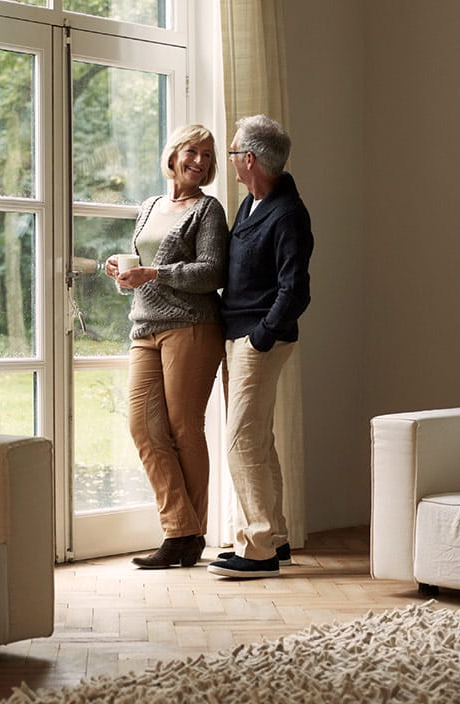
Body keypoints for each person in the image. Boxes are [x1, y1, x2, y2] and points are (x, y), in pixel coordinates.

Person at [104, 124, 229, 569]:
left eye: (210, 156)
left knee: (183, 429)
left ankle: (185, 539)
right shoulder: (151, 206)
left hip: (192, 327)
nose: (202, 161)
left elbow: (211, 272)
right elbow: (145, 272)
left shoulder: (208, 210)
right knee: (143, 427)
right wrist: (124, 274)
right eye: (194, 151)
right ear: (174, 154)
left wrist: (153, 274)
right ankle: (182, 528)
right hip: (145, 328)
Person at [207, 114, 313, 579]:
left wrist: (261, 335)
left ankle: (258, 551)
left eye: (233, 152)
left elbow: (297, 289)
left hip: (258, 339)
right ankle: (277, 538)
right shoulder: (250, 204)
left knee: (239, 443)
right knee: (258, 440)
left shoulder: (288, 212)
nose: (230, 160)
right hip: (241, 335)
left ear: (249, 159)